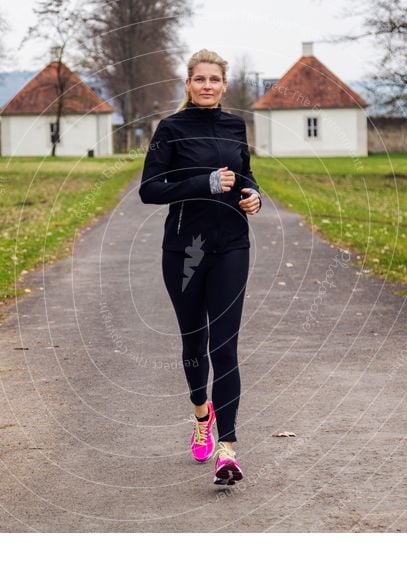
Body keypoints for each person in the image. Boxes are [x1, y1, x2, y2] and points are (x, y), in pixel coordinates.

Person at [139, 49, 263, 486]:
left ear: (224, 85)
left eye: (214, 79)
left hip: (231, 245)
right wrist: (203, 183)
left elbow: (245, 174)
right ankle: (200, 413)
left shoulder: (234, 126)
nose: (207, 85)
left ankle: (227, 449)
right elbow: (150, 189)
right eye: (199, 79)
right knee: (195, 343)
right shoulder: (170, 129)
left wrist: (253, 196)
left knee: (224, 347)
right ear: (188, 85)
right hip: (185, 252)